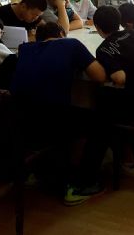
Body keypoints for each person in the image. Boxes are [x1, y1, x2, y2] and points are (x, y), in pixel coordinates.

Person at [10, 22, 108, 206]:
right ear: (62, 34)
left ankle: (36, 171)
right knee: (100, 123)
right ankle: (78, 184)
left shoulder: (25, 49)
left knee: (52, 110)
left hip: (20, 122)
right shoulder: (71, 44)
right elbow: (100, 76)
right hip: (52, 122)